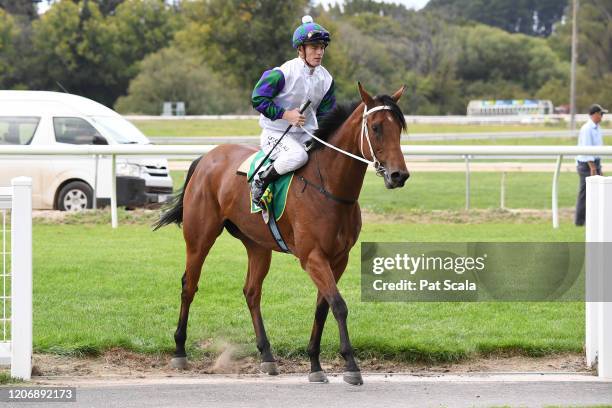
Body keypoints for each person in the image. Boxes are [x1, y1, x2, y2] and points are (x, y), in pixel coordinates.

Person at [250, 15, 336, 207]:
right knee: (298, 157)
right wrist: (285, 115)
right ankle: (261, 180)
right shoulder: (282, 73)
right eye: (314, 47)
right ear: (300, 49)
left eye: (322, 47)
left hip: (307, 134)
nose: (319, 52)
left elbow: (326, 115)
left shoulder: (326, 79)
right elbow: (258, 98)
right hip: (276, 134)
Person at [575, 103, 608, 226]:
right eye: (601, 114)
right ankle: (580, 221)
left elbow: (598, 149)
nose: (602, 117)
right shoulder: (587, 128)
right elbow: (587, 148)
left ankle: (593, 219)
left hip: (594, 163)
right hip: (587, 165)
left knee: (597, 192)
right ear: (594, 114)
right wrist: (593, 167)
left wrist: (599, 167)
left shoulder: (597, 127)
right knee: (585, 193)